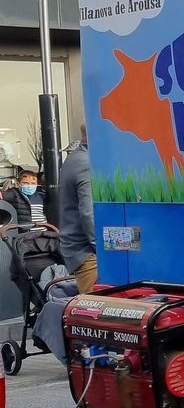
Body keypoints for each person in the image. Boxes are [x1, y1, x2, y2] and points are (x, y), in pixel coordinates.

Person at [61, 122, 97, 293]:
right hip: (88, 252)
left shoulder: (74, 158)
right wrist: (104, 249)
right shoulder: (87, 164)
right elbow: (88, 213)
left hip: (80, 249)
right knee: (99, 310)